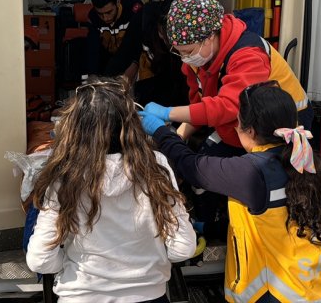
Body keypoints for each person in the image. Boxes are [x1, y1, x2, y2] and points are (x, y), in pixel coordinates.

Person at [139, 82, 321, 303]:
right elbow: (272, 224)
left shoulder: (251, 171)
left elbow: (192, 166)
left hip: (282, 295)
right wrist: (207, 228)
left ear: (250, 130)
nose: (235, 126)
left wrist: (161, 131)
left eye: (237, 121)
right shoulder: (304, 160)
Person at [25, 76, 196, 303]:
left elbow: (40, 260)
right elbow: (183, 249)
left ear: (74, 129)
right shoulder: (155, 165)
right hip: (149, 295)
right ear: (132, 125)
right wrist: (152, 261)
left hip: (81, 295)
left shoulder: (64, 176)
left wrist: (68, 263)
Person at [143, 0, 312, 158]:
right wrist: (179, 135)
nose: (185, 58)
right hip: (243, 127)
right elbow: (198, 107)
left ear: (208, 38)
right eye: (179, 52)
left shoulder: (248, 54)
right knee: (204, 163)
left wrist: (167, 113)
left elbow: (229, 106)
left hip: (281, 126)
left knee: (247, 178)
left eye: (188, 52)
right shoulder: (200, 56)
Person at [133, 0, 190, 107]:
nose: (160, 36)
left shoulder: (192, 46)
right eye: (160, 32)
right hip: (167, 80)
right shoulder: (153, 35)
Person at [86, 0, 145, 80]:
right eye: (100, 14)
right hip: (109, 60)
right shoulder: (93, 17)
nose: (105, 18)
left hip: (134, 59)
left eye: (109, 12)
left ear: (117, 2)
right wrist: (92, 74)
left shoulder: (133, 9)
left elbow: (139, 41)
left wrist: (135, 64)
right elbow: (93, 48)